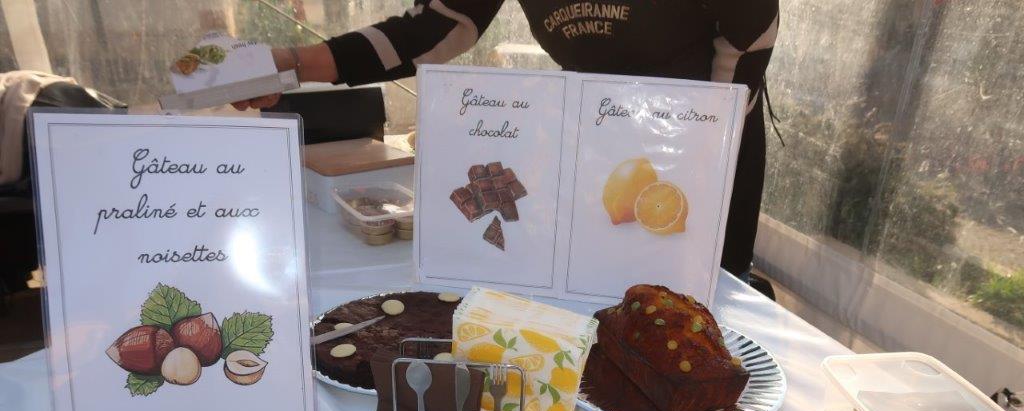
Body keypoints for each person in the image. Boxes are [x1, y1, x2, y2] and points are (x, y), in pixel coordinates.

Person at [236, 1, 778, 284]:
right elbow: (433, 29)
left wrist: (699, 142)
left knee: (689, 317)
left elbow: (752, 28)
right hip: (595, 145)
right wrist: (292, 62)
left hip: (698, 141)